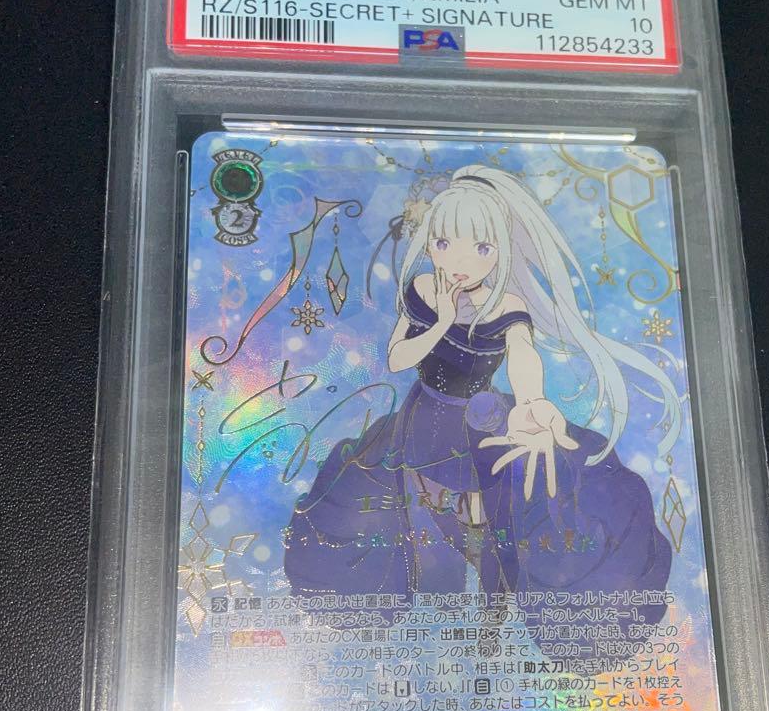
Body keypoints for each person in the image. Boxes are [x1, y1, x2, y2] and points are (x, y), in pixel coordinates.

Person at [284, 164, 676, 636]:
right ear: (430, 243)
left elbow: (523, 355)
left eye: (481, 247)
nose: (460, 260)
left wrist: (531, 401)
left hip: (482, 421)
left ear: (500, 250)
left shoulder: (507, 306)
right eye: (444, 243)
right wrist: (440, 321)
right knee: (417, 513)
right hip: (421, 415)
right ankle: (443, 608)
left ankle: (493, 609)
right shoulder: (423, 289)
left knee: (493, 518)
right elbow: (396, 358)